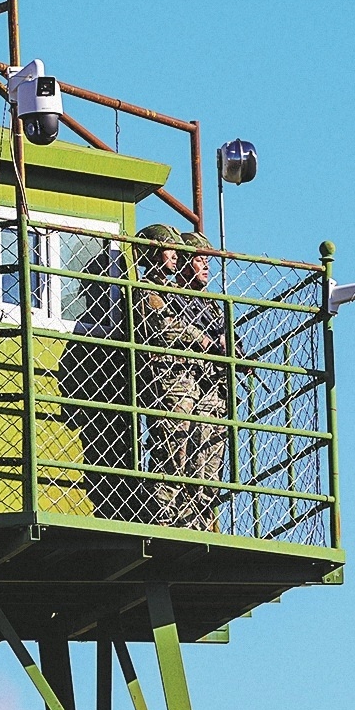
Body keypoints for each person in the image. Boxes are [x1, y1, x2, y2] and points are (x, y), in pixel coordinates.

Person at [130, 223, 205, 526]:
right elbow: (166, 326)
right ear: (153, 254)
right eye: (169, 251)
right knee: (172, 449)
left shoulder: (173, 292)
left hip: (185, 379)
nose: (175, 257)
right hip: (166, 379)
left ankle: (185, 515)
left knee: (189, 453)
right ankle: (160, 512)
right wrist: (200, 339)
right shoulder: (148, 290)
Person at [168, 231, 230, 531]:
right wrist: (206, 342)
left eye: (208, 261)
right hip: (185, 384)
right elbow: (169, 329)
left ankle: (201, 520)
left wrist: (229, 346)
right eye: (199, 260)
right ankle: (174, 518)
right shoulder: (169, 296)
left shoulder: (212, 306)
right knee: (181, 455)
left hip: (213, 388)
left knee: (210, 461)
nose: (206, 266)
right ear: (183, 262)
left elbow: (229, 340)